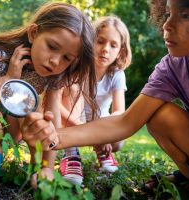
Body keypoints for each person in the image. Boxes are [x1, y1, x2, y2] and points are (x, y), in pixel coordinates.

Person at [21, 0, 189, 195]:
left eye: (184, 16)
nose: (167, 25)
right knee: (160, 115)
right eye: (167, 13)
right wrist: (52, 137)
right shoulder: (172, 67)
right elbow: (125, 121)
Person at [0, 2, 97, 184]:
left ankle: (36, 167)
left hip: (14, 128)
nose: (55, 61)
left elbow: (51, 123)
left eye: (66, 58)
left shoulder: (54, 76)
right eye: (52, 47)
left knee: (32, 107)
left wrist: (46, 168)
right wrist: (7, 79)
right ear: (33, 33)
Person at [58, 16, 132, 185]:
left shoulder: (117, 74)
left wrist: (104, 135)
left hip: (100, 123)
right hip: (72, 121)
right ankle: (71, 155)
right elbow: (56, 103)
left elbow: (119, 111)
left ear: (120, 51)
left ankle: (104, 152)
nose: (105, 49)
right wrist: (83, 130)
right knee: (73, 89)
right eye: (100, 41)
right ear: (90, 41)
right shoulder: (77, 67)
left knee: (119, 141)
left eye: (113, 45)